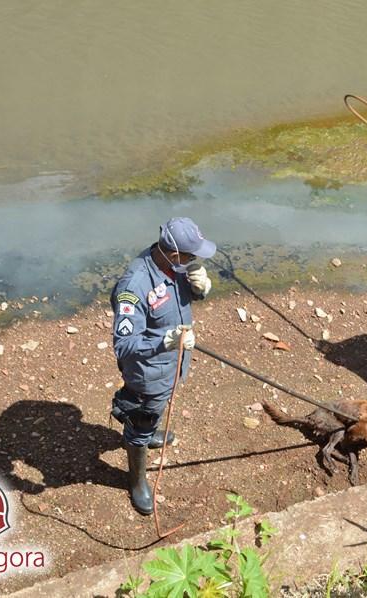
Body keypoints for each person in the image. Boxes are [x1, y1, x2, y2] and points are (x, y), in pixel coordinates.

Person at [109, 217, 216, 515]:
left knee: (156, 408)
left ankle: (150, 428)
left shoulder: (176, 266)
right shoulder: (135, 286)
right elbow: (124, 345)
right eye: (191, 256)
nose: (194, 260)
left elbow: (179, 299)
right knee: (141, 420)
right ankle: (137, 480)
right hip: (148, 373)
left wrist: (199, 288)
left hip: (173, 365)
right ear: (172, 253)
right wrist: (165, 341)